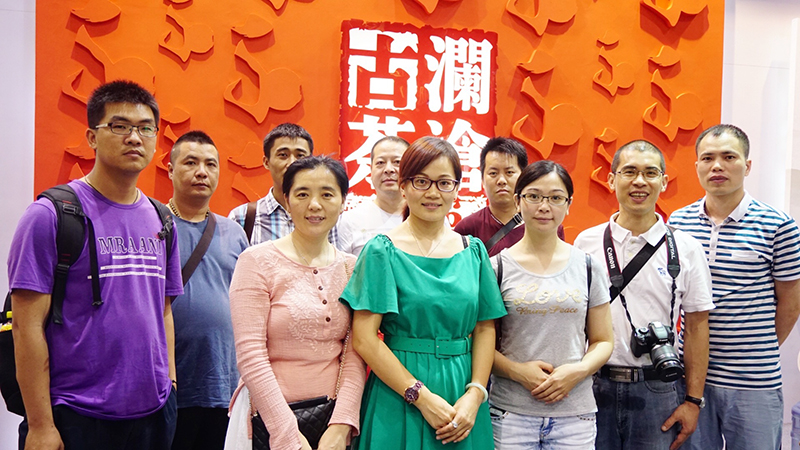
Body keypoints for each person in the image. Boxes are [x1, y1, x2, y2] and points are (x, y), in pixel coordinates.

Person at [7, 80, 183, 449]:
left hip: (153, 414)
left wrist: (169, 382)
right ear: (92, 137)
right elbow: (25, 326)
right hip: (76, 415)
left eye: (145, 128)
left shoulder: (162, 219)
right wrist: (40, 425)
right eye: (119, 126)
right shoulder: (51, 215)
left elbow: (163, 310)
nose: (134, 138)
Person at [341, 136, 507, 449]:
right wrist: (420, 396)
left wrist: (475, 394)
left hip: (462, 394)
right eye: (421, 181)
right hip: (398, 391)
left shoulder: (473, 251)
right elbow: (364, 338)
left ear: (456, 189)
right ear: (403, 186)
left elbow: (485, 327)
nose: (432, 193)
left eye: (444, 183)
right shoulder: (381, 250)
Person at [574, 140, 714, 450]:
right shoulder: (586, 242)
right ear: (611, 180)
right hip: (594, 383)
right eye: (629, 172)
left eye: (650, 173)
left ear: (664, 182)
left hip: (658, 388)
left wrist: (693, 401)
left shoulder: (686, 248)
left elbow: (697, 326)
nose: (640, 181)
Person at [668, 124, 800, 450]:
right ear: (696, 166)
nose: (717, 166)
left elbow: (791, 302)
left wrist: (760, 347)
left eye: (729, 157)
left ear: (747, 165)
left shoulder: (778, 225)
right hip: (691, 380)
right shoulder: (678, 222)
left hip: (755, 382)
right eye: (708, 158)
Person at [226, 156, 366, 450]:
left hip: (332, 423)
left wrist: (341, 424)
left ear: (343, 202)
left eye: (327, 194)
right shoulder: (256, 261)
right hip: (267, 424)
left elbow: (355, 351)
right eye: (302, 194)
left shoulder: (351, 268)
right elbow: (250, 355)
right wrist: (286, 434)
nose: (314, 205)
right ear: (287, 202)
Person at [490, 160, 614, 449]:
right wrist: (517, 371)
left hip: (575, 416)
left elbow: (604, 340)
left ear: (568, 205)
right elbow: (480, 343)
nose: (544, 207)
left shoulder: (588, 266)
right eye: (534, 196)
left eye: (556, 198)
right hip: (511, 414)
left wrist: (578, 371)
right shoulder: (496, 267)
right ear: (518, 201)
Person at [167, 131, 249, 450]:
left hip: (223, 384)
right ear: (171, 170)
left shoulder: (234, 232)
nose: (202, 172)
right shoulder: (154, 226)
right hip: (170, 385)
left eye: (210, 164)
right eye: (191, 162)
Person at [227, 123, 342, 248]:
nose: (292, 163)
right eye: (283, 155)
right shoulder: (242, 217)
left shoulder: (327, 215)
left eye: (300, 156)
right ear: (266, 162)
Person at [454, 137, 564, 256]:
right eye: (493, 173)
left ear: (523, 177)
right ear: (482, 180)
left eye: (509, 172)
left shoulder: (546, 223)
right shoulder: (467, 228)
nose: (501, 180)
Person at [339, 136, 409, 255]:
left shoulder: (426, 217)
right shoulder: (349, 220)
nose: (388, 169)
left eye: (397, 162)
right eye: (380, 163)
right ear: (371, 170)